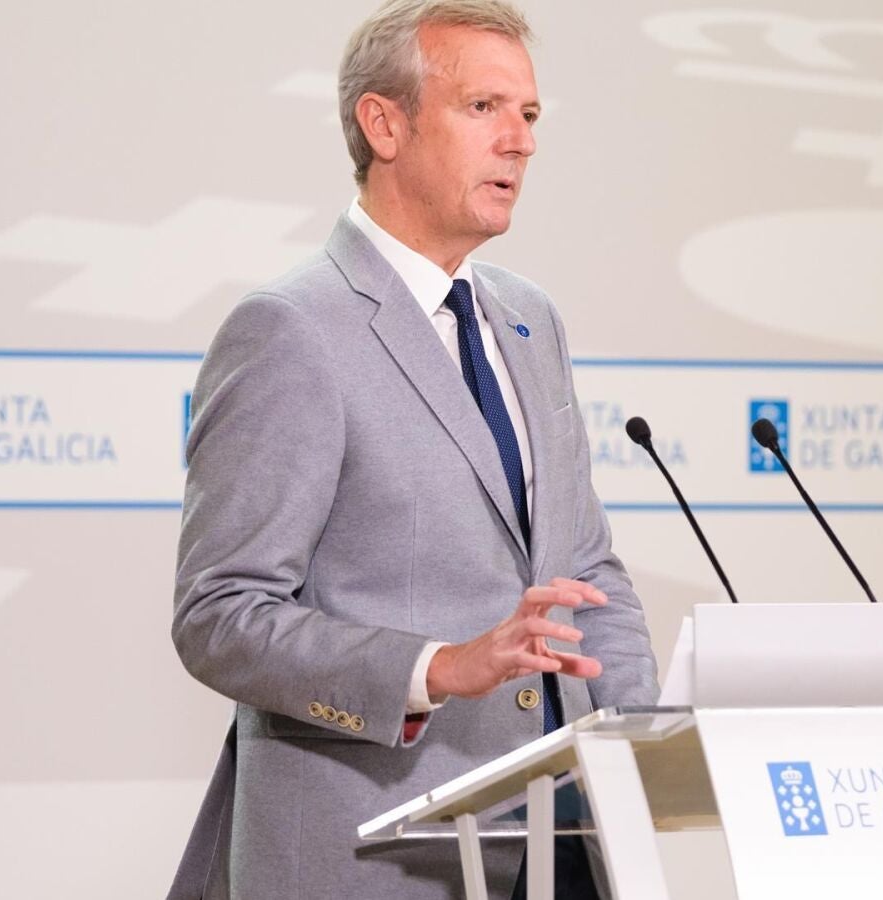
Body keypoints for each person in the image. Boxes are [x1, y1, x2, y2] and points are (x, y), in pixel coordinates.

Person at [168, 2, 657, 897]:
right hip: (377, 856)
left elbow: (584, 567)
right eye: (484, 108)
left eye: (530, 114)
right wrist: (435, 668)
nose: (520, 141)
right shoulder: (290, 330)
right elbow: (220, 615)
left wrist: (645, 733)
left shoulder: (530, 319)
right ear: (384, 125)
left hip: (564, 844)